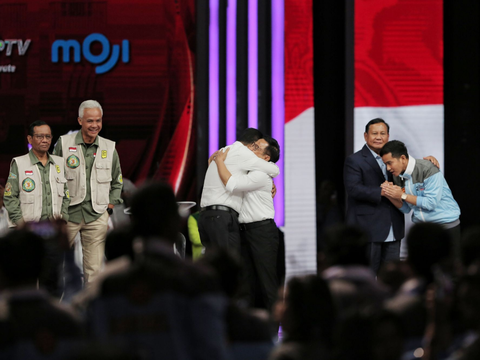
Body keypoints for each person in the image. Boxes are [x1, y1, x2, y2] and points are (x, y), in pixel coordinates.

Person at [344, 118, 438, 274]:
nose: (379, 137)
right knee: (368, 273)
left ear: (388, 136)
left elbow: (414, 172)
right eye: (374, 133)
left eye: (383, 133)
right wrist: (383, 191)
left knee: (392, 275)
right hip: (368, 228)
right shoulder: (354, 160)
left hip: (394, 227)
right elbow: (353, 189)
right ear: (365, 136)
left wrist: (429, 162)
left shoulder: (397, 158)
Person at [53, 100, 123, 285]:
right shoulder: (63, 143)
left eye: (98, 121)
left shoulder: (109, 147)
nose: (95, 125)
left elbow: (117, 181)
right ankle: (61, 308)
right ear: (80, 121)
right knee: (59, 266)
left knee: (94, 271)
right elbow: (52, 176)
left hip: (97, 215)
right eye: (90, 121)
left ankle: (90, 310)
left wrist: (109, 207)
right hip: (67, 215)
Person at [214, 135, 280, 311]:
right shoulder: (247, 169)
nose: (251, 149)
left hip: (262, 230)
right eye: (252, 145)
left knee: (267, 283)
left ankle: (273, 333)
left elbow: (232, 184)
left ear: (266, 158)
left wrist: (220, 161)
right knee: (246, 283)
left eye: (257, 147)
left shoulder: (261, 173)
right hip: (243, 230)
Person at [198, 128, 279, 255]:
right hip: (222, 218)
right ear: (253, 144)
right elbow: (274, 170)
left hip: (205, 217)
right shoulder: (243, 154)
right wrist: (269, 179)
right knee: (228, 265)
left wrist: (270, 184)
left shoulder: (224, 151)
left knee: (213, 266)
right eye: (257, 147)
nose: (256, 151)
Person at [380, 140, 461, 245]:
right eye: (385, 164)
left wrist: (402, 195)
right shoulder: (398, 176)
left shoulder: (427, 168)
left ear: (403, 158)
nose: (388, 168)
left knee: (449, 262)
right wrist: (389, 193)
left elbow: (430, 203)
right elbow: (406, 208)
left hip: (445, 227)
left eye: (389, 163)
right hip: (422, 229)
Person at [4, 120, 70, 226]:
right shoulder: (19, 163)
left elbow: (66, 194)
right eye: (40, 137)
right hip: (29, 227)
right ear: (30, 139)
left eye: (48, 137)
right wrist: (20, 223)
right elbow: (10, 197)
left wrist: (64, 217)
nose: (45, 140)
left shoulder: (59, 162)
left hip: (54, 226)